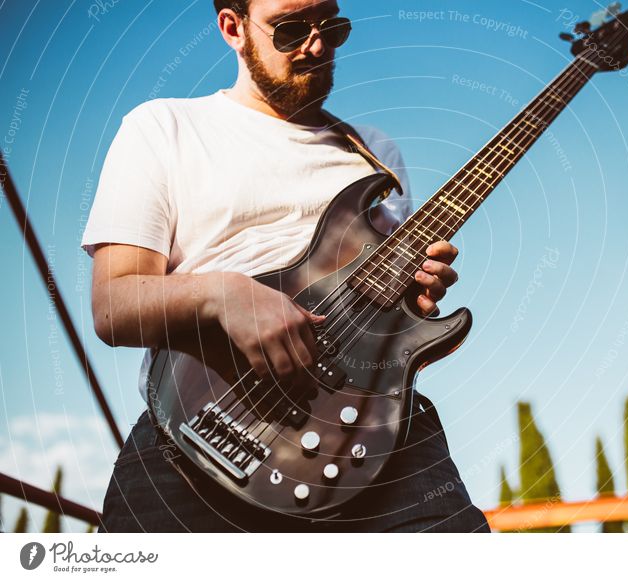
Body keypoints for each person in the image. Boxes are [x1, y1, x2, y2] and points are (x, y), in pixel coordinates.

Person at [82, 0, 489, 532]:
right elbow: (113, 308)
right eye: (291, 27)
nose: (317, 45)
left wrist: (408, 300)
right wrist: (224, 294)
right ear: (233, 28)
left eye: (333, 27)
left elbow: (382, 324)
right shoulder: (164, 127)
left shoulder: (375, 154)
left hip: (371, 434)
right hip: (204, 428)